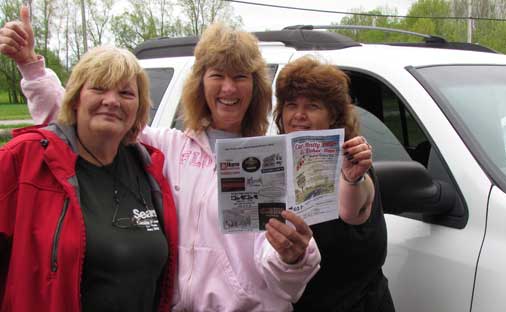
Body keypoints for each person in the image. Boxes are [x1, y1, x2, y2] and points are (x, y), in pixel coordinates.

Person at [0, 7, 320, 311]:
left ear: (256, 87)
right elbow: (84, 121)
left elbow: (287, 283)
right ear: (199, 83)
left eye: (240, 76)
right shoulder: (166, 148)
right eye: (217, 74)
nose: (228, 87)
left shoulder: (269, 160)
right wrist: (32, 67)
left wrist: (292, 258)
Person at [0, 45, 178, 311]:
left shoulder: (151, 170)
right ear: (75, 98)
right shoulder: (24, 159)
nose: (112, 101)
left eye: (126, 93)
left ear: (139, 108)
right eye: (99, 88)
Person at [274, 56, 395, 311]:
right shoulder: (272, 165)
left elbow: (352, 211)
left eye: (313, 106)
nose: (299, 115)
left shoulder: (352, 162)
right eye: (291, 104)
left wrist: (353, 178)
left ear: (333, 116)